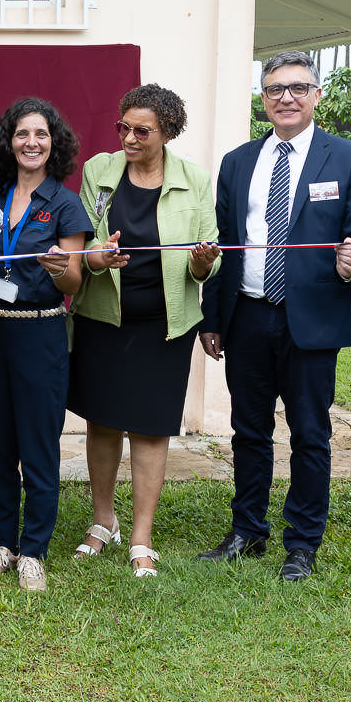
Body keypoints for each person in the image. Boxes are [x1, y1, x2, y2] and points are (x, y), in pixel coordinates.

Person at [197, 52, 351, 582]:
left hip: (312, 319)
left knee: (309, 433)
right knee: (247, 430)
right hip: (248, 313)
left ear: (317, 95)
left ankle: (302, 543)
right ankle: (247, 530)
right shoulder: (238, 162)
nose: (287, 98)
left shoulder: (348, 158)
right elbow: (223, 244)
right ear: (263, 99)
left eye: (298, 88)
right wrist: (213, 318)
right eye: (275, 89)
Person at [68, 84, 220, 578]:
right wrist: (97, 255)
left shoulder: (194, 180)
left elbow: (208, 259)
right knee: (104, 422)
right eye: (123, 128)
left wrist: (201, 265)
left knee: (152, 428)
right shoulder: (99, 170)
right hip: (104, 317)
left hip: (165, 325)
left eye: (142, 131)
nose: (129, 138)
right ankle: (102, 521)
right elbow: (85, 238)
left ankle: (141, 536)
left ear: (168, 133)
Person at [0, 98, 93, 592]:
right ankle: (4, 543)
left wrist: (63, 270)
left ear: (54, 144)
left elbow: (74, 284)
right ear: (9, 142)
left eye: (41, 135)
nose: (31, 143)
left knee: (38, 445)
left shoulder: (65, 204)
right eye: (22, 134)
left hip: (39, 331)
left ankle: (34, 549)